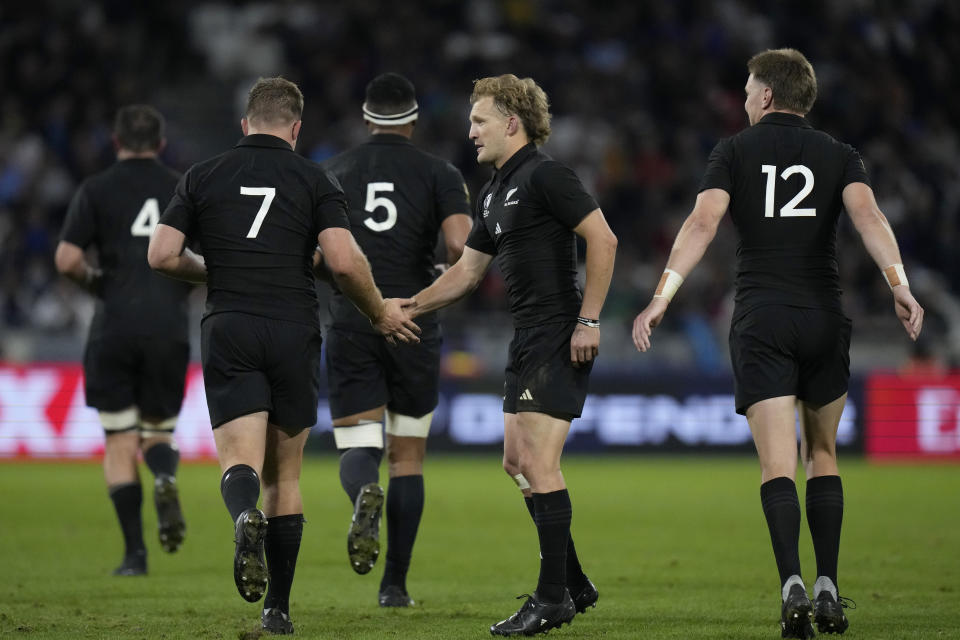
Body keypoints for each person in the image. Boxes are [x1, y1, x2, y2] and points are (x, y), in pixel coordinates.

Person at [631, 48, 924, 639]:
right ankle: (829, 587)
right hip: (823, 315)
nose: (742, 99)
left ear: (766, 95)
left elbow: (701, 224)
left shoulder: (733, 152)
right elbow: (870, 218)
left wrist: (663, 294)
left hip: (762, 317)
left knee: (776, 463)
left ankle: (790, 582)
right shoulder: (840, 155)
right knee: (824, 456)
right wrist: (900, 285)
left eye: (746, 89)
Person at [147, 76, 420, 635]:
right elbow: (343, 262)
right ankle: (278, 611)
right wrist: (377, 312)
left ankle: (244, 516)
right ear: (295, 129)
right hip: (295, 328)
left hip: (231, 327)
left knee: (241, 464)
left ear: (245, 124)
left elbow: (161, 254)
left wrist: (210, 269)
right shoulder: (315, 178)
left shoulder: (202, 175)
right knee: (285, 477)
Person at [404, 74, 617, 636]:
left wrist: (589, 319)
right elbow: (467, 273)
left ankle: (551, 599)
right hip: (526, 338)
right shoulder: (497, 191)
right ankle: (571, 579)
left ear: (511, 123)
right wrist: (406, 307)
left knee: (541, 465)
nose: (469, 131)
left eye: (479, 121)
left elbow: (604, 238)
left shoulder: (547, 175)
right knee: (515, 463)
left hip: (556, 331)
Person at [319, 72, 472, 607]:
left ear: (366, 118)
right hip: (414, 319)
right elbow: (459, 247)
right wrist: (436, 268)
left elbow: (318, 256)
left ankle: (364, 492)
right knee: (408, 456)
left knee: (360, 445)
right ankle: (395, 587)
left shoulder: (333, 171)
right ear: (412, 119)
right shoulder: (441, 173)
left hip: (355, 319)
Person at [55, 104, 191, 577]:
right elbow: (207, 256)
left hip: (114, 326)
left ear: (116, 142)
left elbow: (67, 259)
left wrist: (100, 285)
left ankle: (135, 556)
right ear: (161, 143)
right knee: (157, 432)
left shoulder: (96, 189)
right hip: (168, 327)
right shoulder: (183, 185)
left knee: (119, 441)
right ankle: (166, 474)